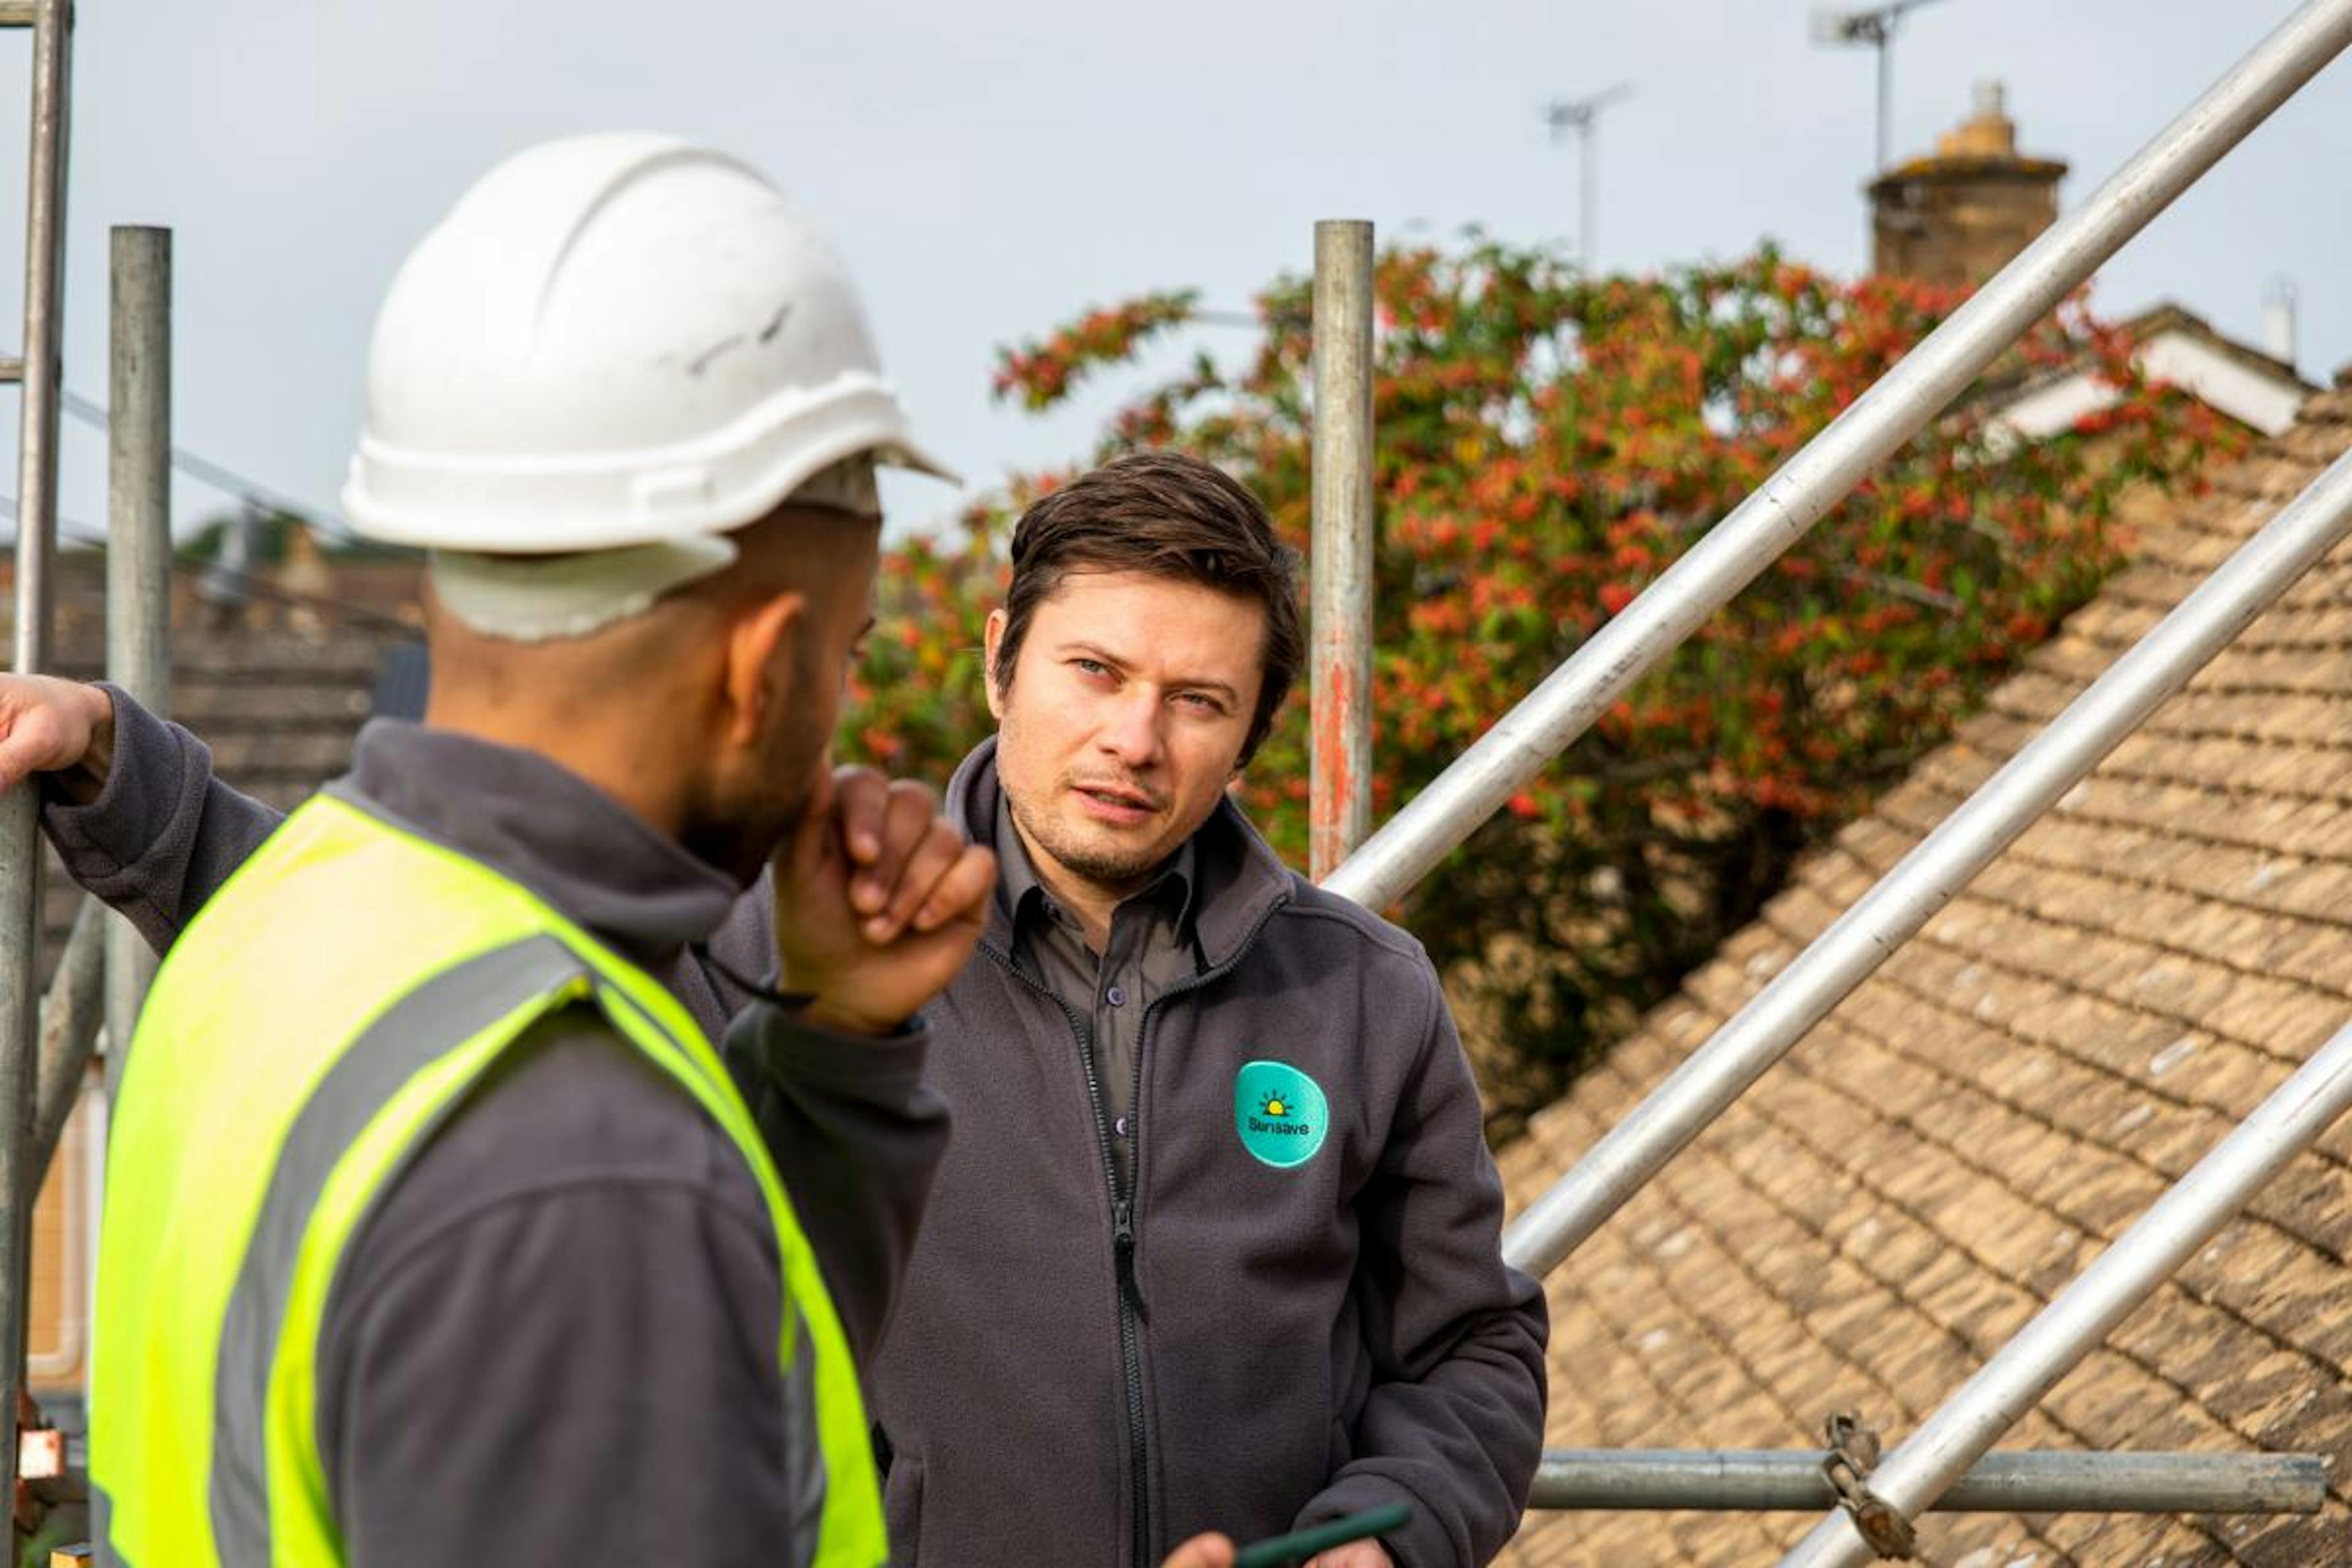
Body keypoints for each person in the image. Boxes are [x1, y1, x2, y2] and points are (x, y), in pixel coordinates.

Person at [7, 448, 1545, 1560]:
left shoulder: (1361, 988)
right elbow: (410, 951)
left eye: (1197, 699)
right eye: (1096, 669)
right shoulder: (793, 932)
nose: (1136, 735)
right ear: (1002, 659)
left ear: (1256, 727)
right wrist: (112, 764)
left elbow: (1472, 1347)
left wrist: (1381, 1542)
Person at [69, 133, 1005, 1567]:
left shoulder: (294, 908)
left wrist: (833, 1043)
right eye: (848, 653)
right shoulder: (583, 1164)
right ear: (764, 665)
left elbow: (716, 1367)